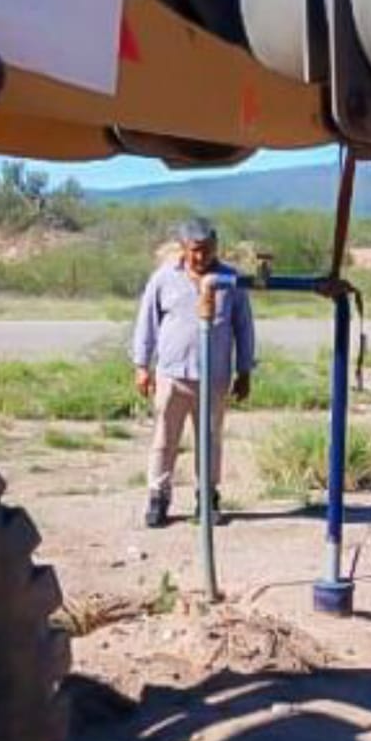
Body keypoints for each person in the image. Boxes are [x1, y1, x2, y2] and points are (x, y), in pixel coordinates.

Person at [131, 215, 255, 528]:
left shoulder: (231, 280)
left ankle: (207, 498)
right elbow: (147, 322)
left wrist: (244, 371)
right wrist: (141, 366)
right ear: (184, 248)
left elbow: (244, 327)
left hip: (214, 377)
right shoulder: (163, 278)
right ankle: (158, 498)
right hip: (172, 375)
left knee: (210, 440)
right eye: (196, 250)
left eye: (208, 249)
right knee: (164, 439)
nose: (202, 257)